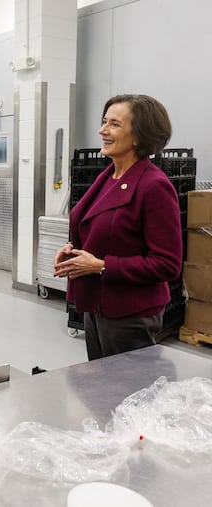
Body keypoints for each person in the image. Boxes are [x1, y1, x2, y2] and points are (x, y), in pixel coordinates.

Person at [54, 94, 182, 361]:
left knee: (125, 397)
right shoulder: (107, 178)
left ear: (138, 136)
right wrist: (73, 253)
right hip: (98, 305)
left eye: (114, 124)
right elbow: (100, 232)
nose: (102, 130)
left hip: (130, 314)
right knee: (101, 391)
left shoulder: (154, 185)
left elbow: (167, 264)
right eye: (104, 122)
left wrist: (100, 266)